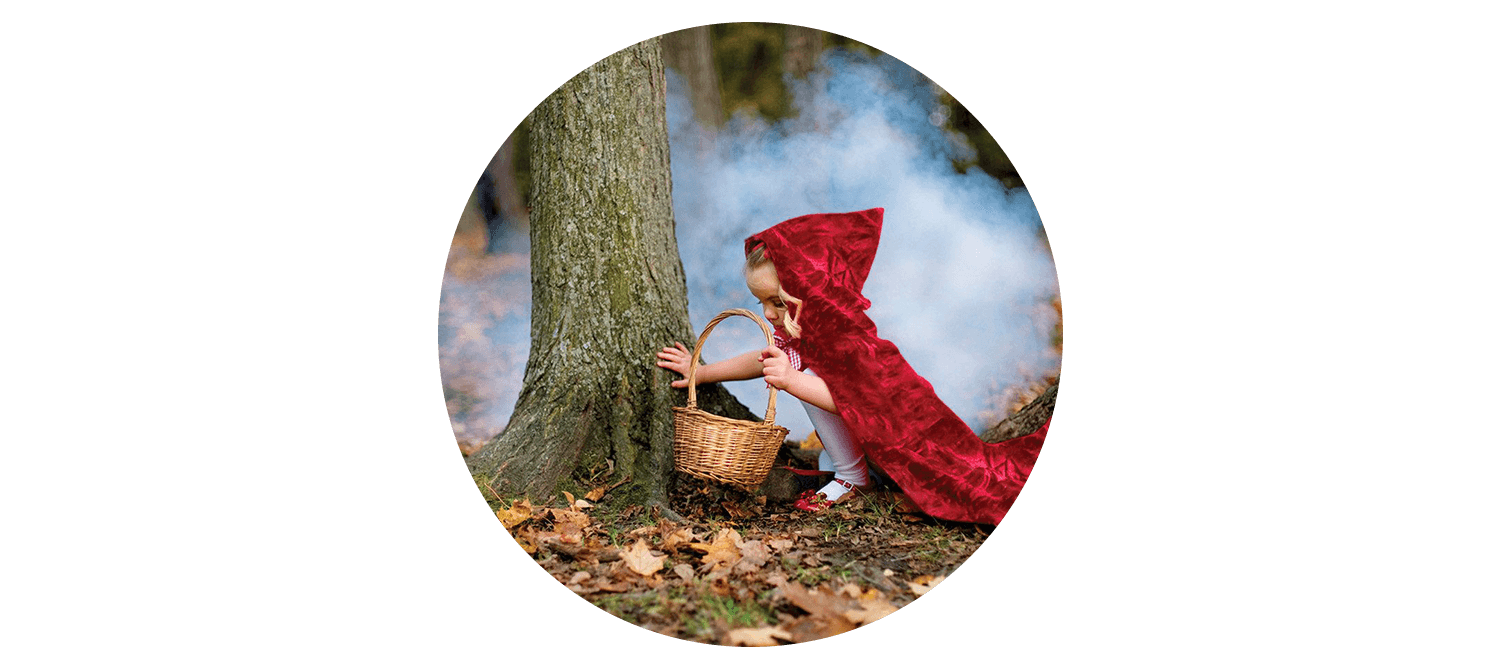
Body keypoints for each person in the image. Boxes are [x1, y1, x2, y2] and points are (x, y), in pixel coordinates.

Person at [658, 208, 1050, 525]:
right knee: (800, 379)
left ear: (808, 289)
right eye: (761, 303)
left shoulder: (846, 336)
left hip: (910, 432)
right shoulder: (806, 328)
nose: (768, 313)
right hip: (875, 440)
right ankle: (859, 471)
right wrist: (702, 370)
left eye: (777, 301)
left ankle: (853, 477)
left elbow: (859, 401)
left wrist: (792, 379)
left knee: (970, 478)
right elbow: (764, 357)